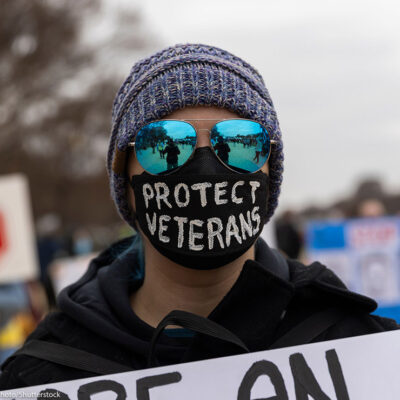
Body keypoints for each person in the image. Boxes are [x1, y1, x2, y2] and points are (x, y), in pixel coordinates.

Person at [0, 43, 397, 390]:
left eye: (240, 143)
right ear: (126, 182)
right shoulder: (43, 375)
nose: (206, 167)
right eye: (166, 143)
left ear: (267, 173)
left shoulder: (361, 348)